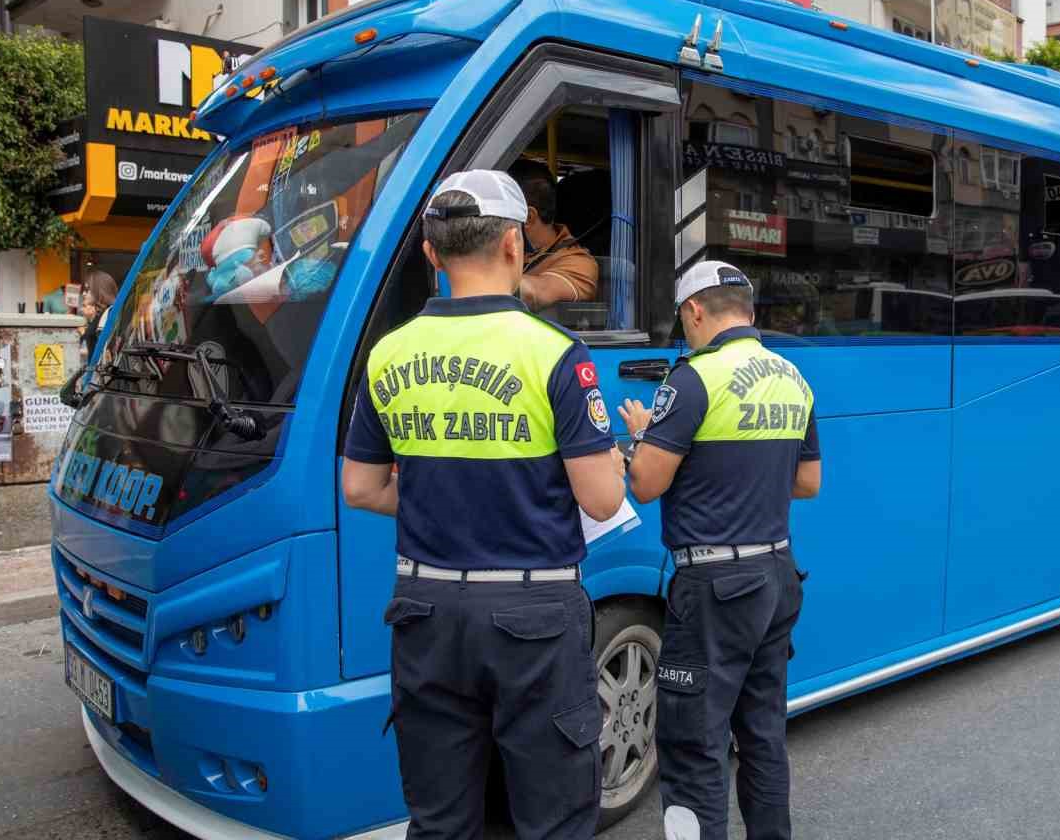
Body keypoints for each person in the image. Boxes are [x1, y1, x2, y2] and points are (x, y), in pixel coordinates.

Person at [340, 169, 628, 840]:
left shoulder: (389, 354)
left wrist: (444, 496)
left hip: (426, 611)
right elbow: (602, 496)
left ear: (431, 253)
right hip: (533, 618)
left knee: (442, 819)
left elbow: (360, 487)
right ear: (512, 245)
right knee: (552, 817)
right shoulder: (556, 354)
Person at [617, 261, 821, 840]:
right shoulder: (791, 377)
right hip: (777, 575)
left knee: (691, 744)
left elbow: (647, 483)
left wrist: (639, 440)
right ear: (748, 312)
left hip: (714, 586)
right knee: (762, 734)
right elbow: (808, 483)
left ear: (695, 311)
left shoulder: (691, 380)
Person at [510, 159, 600, 310]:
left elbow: (533, 293)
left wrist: (472, 274)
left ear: (528, 218)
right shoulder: (512, 248)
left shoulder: (579, 264)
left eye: (498, 215)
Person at [80, 270, 118, 359]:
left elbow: (105, 351)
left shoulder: (109, 313)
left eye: (87, 290)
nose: (83, 293)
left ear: (99, 290)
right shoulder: (102, 314)